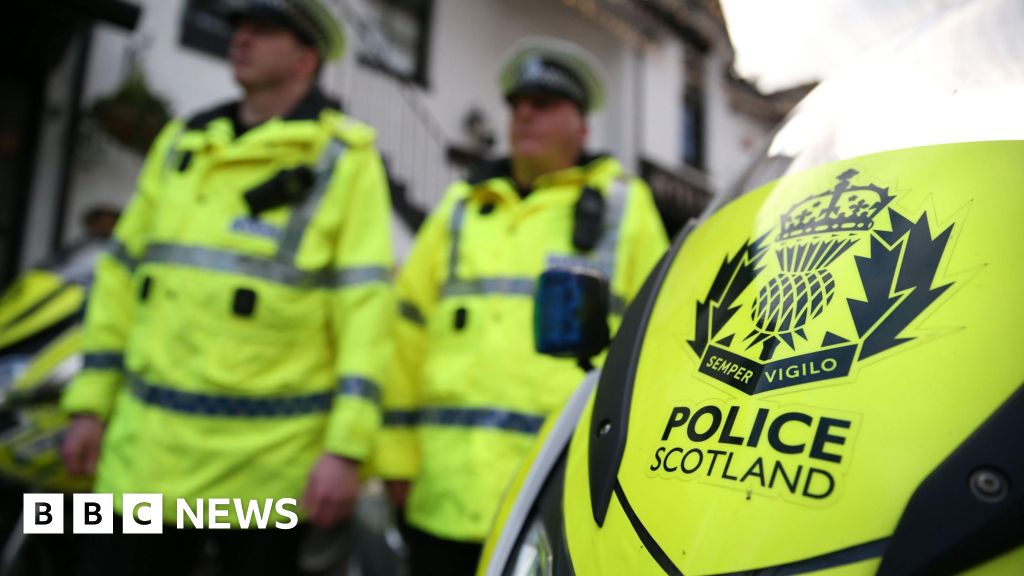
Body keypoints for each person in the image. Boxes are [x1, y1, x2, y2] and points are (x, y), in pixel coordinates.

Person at [59, 0, 394, 574]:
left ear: (306, 58)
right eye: (239, 26)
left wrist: (347, 449)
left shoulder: (345, 158)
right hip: (143, 458)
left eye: (263, 30)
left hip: (265, 473)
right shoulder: (182, 144)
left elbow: (365, 309)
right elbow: (119, 277)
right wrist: (88, 405)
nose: (240, 38)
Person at [374, 37, 669, 576]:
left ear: (582, 126)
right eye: (517, 104)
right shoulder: (461, 207)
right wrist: (394, 457)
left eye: (545, 103)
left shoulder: (627, 208)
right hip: (440, 499)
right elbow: (406, 332)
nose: (524, 114)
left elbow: (655, 348)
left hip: (553, 500)